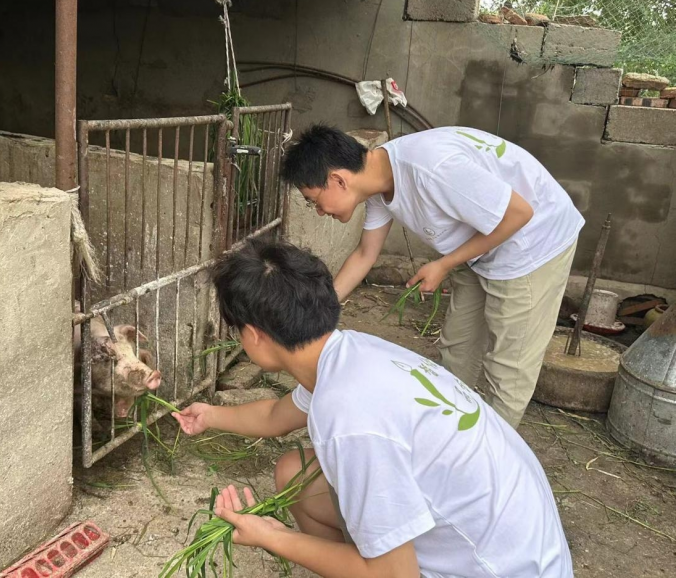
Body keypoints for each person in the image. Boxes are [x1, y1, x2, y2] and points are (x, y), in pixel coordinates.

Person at [172, 239, 573, 578]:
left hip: (497, 568)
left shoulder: (349, 416)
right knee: (294, 472)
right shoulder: (349, 354)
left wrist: (271, 535)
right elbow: (276, 417)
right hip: (510, 543)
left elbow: (392, 575)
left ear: (255, 336)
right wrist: (209, 415)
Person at [278, 124, 584, 429]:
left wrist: (445, 263)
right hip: (478, 243)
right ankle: (449, 433)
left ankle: (488, 457)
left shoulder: (432, 169)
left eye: (313, 200)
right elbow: (364, 255)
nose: (317, 210)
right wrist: (316, 315)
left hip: (531, 245)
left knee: (508, 367)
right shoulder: (378, 182)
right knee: (458, 348)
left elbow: (519, 213)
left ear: (338, 180)